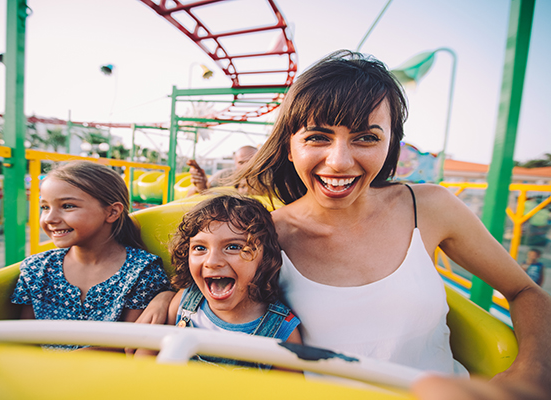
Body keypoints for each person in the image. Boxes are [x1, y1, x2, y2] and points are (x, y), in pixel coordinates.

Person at [232, 50, 551, 395]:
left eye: (366, 138)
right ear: (290, 147)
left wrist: (532, 371)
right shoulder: (264, 237)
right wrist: (165, 300)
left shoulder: (429, 207)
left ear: (390, 146)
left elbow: (526, 291)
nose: (339, 161)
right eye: (318, 137)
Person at [10, 160, 171, 350]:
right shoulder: (36, 269)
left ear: (112, 212)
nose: (50, 219)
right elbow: (24, 339)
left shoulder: (142, 270)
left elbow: (127, 347)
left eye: (68, 206)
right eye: (45, 207)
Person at [137, 194, 301, 368]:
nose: (212, 261)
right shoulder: (185, 300)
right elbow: (147, 354)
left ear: (265, 256)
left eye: (233, 247)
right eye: (200, 248)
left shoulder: (281, 329)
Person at [186, 145, 258, 196]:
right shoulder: (225, 175)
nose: (246, 166)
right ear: (235, 163)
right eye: (241, 163)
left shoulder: (266, 177)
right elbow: (196, 192)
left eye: (250, 161)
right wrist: (202, 186)